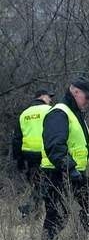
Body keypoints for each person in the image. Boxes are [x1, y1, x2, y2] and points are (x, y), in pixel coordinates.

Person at [40, 76, 89, 240]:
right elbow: (55, 146)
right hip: (57, 173)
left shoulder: (74, 113)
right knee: (58, 214)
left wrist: (74, 170)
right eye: (86, 96)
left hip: (74, 173)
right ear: (74, 91)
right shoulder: (59, 113)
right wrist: (71, 168)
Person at [12, 89, 54, 217]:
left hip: (29, 155)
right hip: (46, 154)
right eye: (49, 97)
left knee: (38, 184)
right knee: (46, 183)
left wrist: (18, 159)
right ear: (41, 96)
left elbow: (17, 138)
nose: (50, 99)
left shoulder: (24, 113)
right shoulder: (50, 110)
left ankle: (33, 213)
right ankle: (29, 208)